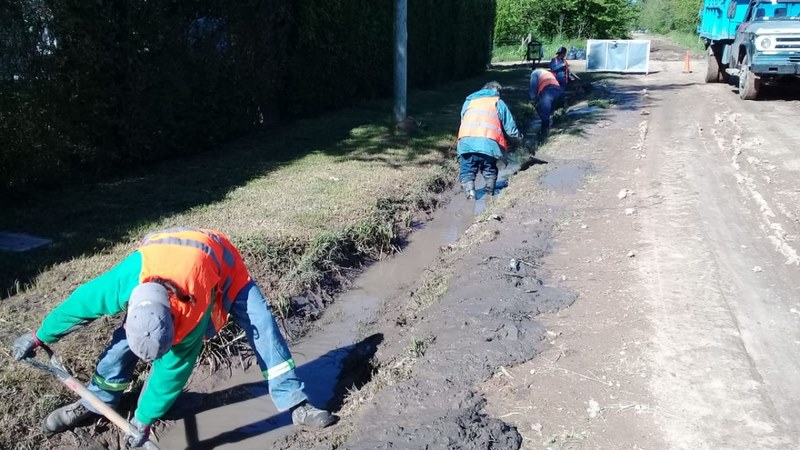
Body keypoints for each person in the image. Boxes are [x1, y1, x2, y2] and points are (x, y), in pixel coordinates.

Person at [12, 227, 335, 447]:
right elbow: (76, 307)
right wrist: (38, 336)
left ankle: (296, 403)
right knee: (121, 345)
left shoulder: (192, 312)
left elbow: (172, 372)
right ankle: (99, 400)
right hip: (164, 254)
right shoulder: (124, 281)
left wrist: (143, 420)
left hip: (220, 261)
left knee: (262, 325)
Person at [456, 81, 523, 199]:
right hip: (488, 143)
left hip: (466, 143)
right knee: (489, 169)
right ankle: (489, 195)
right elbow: (511, 130)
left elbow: (464, 119)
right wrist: (519, 141)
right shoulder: (498, 102)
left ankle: (470, 196)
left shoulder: (469, 102)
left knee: (467, 171)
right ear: (496, 92)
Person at [530, 68, 565, 139]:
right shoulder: (548, 73)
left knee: (545, 116)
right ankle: (553, 126)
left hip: (548, 92)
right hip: (559, 92)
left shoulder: (534, 73)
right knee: (551, 112)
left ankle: (543, 136)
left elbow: (533, 92)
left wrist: (533, 101)